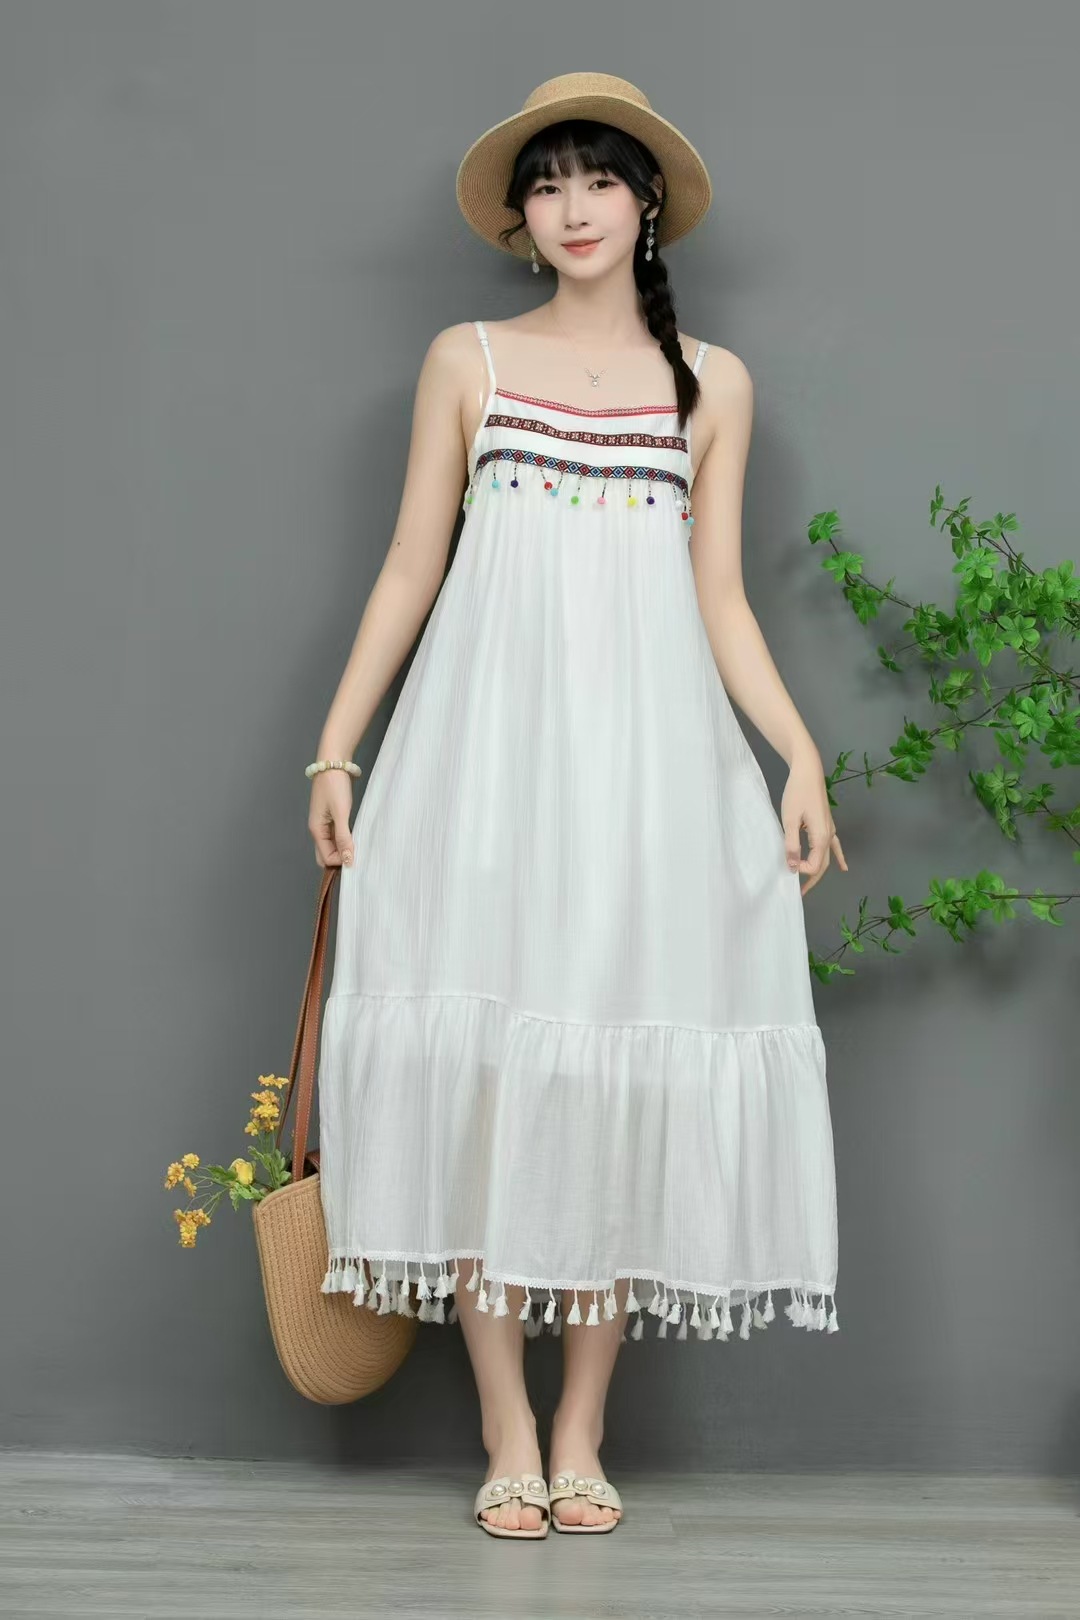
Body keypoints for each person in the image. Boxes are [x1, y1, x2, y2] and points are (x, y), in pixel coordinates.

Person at [306, 72, 846, 1541]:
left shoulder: (712, 384)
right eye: (546, 184)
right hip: (482, 767)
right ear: (520, 220)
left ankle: (581, 1427)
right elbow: (410, 567)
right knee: (488, 1073)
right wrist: (337, 750)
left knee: (613, 1077)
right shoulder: (467, 361)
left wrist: (799, 756)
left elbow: (720, 598)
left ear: (646, 201)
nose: (574, 207)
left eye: (599, 179)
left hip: (646, 776)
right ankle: (504, 1425)